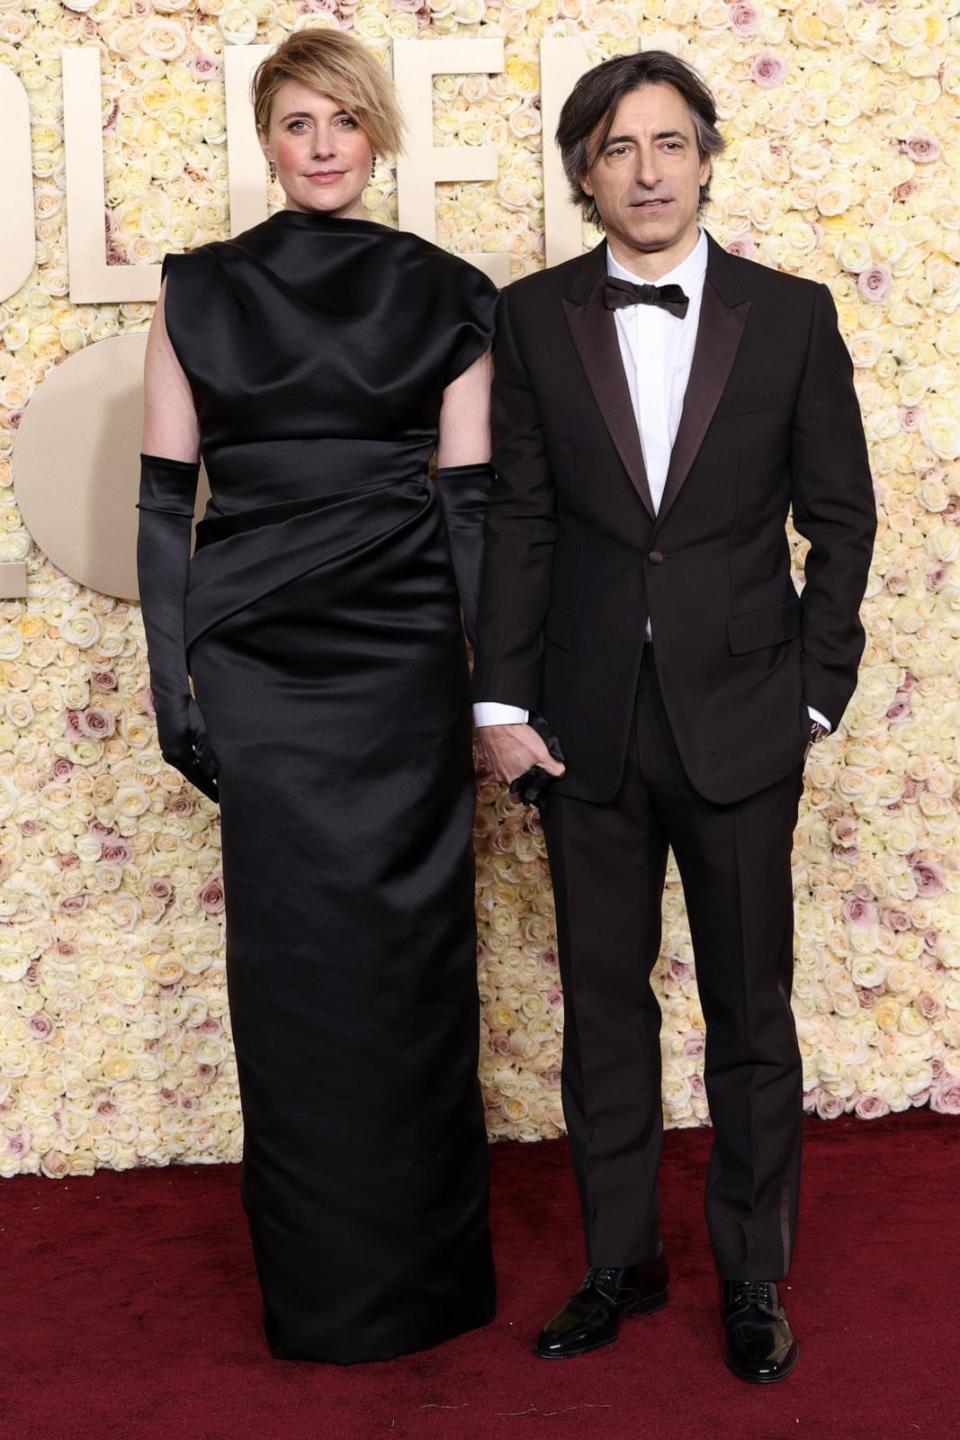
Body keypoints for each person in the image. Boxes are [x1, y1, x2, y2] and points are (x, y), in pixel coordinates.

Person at [474, 50, 876, 1382]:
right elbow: (521, 521)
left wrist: (815, 694)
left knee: (750, 1015)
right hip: (581, 732)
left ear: (704, 157)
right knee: (603, 1010)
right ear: (585, 175)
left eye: (666, 143)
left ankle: (753, 1280)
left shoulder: (793, 313)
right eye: (614, 149)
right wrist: (500, 701)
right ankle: (620, 1264)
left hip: (746, 722)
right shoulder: (531, 322)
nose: (644, 171)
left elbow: (843, 517)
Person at [137, 29, 499, 1364]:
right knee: (294, 980)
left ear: (379, 130)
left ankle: (426, 1283)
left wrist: (492, 686)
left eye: (345, 119)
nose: (325, 144)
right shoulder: (196, 290)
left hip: (404, 655)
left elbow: (470, 508)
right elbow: (167, 497)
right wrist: (170, 670)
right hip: (260, 662)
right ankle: (328, 1297)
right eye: (298, 122)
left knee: (413, 966)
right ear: (266, 139)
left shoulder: (456, 292)